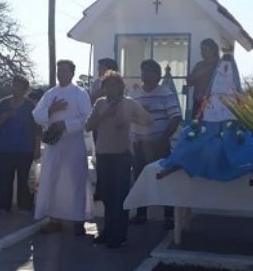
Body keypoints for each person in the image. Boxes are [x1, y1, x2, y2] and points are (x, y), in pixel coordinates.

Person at [160, 39, 253, 181]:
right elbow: (190, 81)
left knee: (224, 136)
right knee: (198, 132)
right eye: (201, 49)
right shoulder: (200, 65)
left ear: (213, 50)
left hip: (226, 105)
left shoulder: (220, 64)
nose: (203, 52)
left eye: (205, 49)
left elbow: (231, 84)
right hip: (204, 103)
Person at [86, 71, 152, 248]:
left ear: (120, 87)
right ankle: (107, 232)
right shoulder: (100, 104)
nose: (110, 88)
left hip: (121, 155)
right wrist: (104, 115)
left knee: (120, 197)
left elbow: (147, 119)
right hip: (103, 155)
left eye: (114, 85)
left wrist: (128, 119)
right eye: (107, 85)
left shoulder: (129, 103)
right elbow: (88, 125)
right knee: (107, 197)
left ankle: (119, 235)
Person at [32, 59, 92, 235]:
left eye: (64, 71)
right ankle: (54, 219)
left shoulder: (80, 93)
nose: (61, 74)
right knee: (53, 179)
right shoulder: (50, 94)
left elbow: (87, 117)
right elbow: (36, 115)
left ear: (72, 73)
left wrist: (65, 124)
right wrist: (51, 110)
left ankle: (77, 220)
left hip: (73, 144)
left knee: (75, 180)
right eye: (59, 70)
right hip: (54, 146)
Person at [129, 59, 181, 227]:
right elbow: (127, 115)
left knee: (164, 178)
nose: (146, 74)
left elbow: (176, 117)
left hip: (160, 145)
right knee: (139, 179)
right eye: (144, 71)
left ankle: (169, 216)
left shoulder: (166, 94)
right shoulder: (134, 94)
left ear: (158, 75)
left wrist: (164, 138)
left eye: (150, 71)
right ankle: (141, 214)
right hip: (139, 145)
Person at [0, 75, 39, 214]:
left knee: (25, 181)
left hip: (25, 150)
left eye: (19, 86)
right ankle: (4, 207)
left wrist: (36, 148)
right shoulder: (4, 103)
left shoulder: (30, 106)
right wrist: (5, 116)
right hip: (4, 149)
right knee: (4, 180)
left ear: (25, 89)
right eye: (14, 85)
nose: (15, 88)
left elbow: (37, 129)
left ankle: (25, 207)